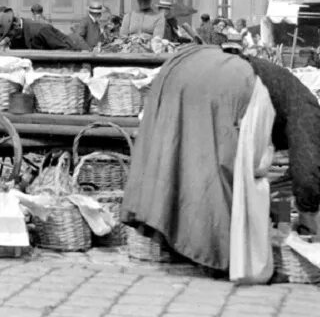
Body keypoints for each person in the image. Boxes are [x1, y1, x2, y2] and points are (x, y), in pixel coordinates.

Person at [121, 45, 320, 283]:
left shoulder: (287, 89)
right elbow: (307, 174)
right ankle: (226, 260)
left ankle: (181, 242)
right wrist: (309, 218)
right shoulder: (310, 108)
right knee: (221, 175)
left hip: (182, 68)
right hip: (225, 82)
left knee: (182, 161)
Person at [0, 8, 81, 51]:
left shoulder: (40, 30)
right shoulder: (17, 35)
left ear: (16, 25)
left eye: (9, 35)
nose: (9, 39)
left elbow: (65, 49)